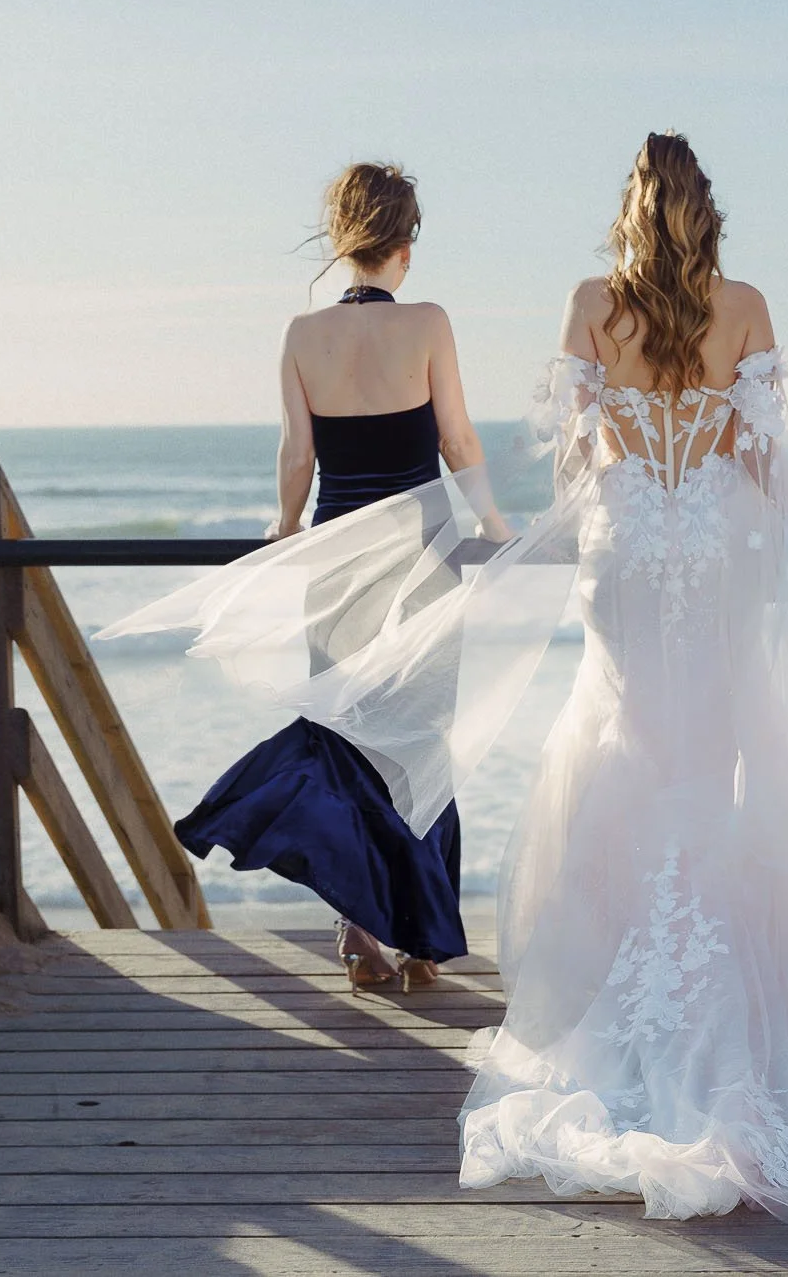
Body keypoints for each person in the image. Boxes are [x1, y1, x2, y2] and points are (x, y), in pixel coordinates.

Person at [106, 132, 788, 1225]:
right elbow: (760, 453)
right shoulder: (746, 304)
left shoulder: (591, 301)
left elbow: (578, 450)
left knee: (619, 741)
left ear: (631, 210)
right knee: (721, 751)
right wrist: (777, 518)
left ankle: (583, 970)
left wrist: (592, 501)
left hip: (624, 551)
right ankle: (720, 978)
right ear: (705, 209)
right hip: (714, 553)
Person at [171, 161, 501, 991]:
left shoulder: (300, 334)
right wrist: (496, 528)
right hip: (421, 561)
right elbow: (457, 440)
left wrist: (283, 531)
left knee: (348, 736)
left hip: (334, 563)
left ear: (340, 239)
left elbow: (297, 455)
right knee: (418, 746)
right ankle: (421, 937)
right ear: (406, 243)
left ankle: (360, 929)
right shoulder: (427, 322)